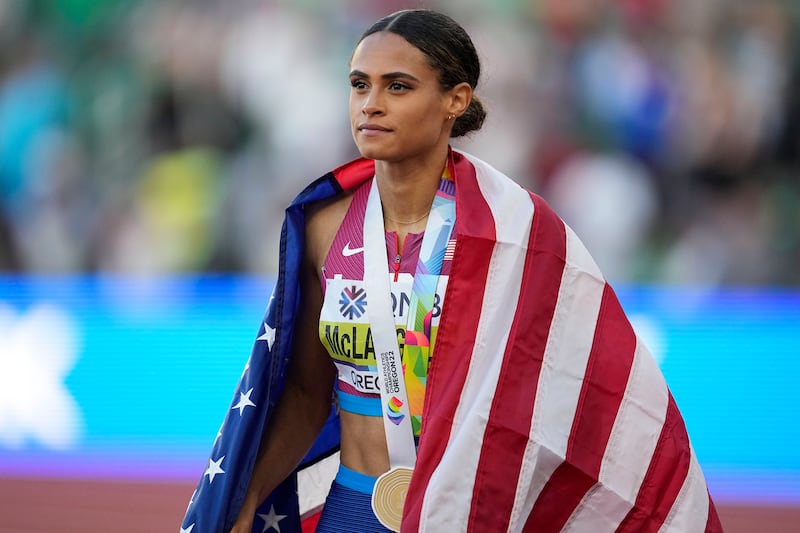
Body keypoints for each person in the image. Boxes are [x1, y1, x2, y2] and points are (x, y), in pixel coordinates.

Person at [182, 9, 722, 533]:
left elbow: (581, 388)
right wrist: (246, 497)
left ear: (455, 100)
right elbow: (303, 390)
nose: (370, 105)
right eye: (358, 84)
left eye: (397, 86)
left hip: (462, 512)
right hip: (351, 509)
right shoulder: (324, 226)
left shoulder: (515, 233)